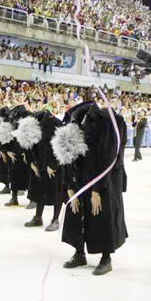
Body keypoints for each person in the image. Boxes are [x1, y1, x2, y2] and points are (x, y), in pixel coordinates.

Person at [54, 100, 128, 276]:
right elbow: (66, 157)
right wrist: (69, 187)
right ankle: (79, 253)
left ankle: (106, 258)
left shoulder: (107, 122)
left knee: (101, 215)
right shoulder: (73, 121)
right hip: (78, 178)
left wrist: (97, 189)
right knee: (76, 213)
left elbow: (110, 159)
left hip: (102, 180)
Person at [17, 110, 63, 231]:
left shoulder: (55, 124)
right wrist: (31, 162)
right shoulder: (32, 123)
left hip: (53, 166)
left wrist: (53, 165)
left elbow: (62, 145)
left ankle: (55, 220)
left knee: (56, 193)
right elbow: (28, 144)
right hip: (39, 164)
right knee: (39, 191)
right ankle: (38, 217)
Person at [0, 105, 30, 206]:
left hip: (26, 151)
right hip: (14, 151)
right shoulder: (10, 120)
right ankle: (14, 197)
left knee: (30, 176)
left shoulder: (28, 120)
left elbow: (31, 138)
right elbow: (3, 135)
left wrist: (27, 154)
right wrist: (6, 151)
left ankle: (33, 200)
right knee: (13, 175)